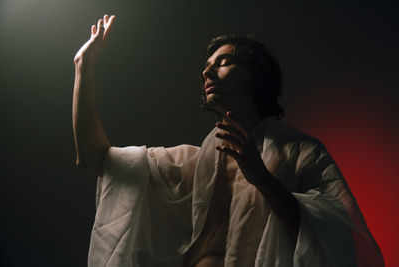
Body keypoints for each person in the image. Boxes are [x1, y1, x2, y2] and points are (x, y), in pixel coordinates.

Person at [73, 15, 384, 267]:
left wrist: (262, 179)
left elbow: (338, 244)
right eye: (206, 67)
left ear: (251, 76)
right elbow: (94, 158)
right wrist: (83, 67)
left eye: (221, 63)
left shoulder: (303, 153)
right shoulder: (193, 164)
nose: (207, 72)